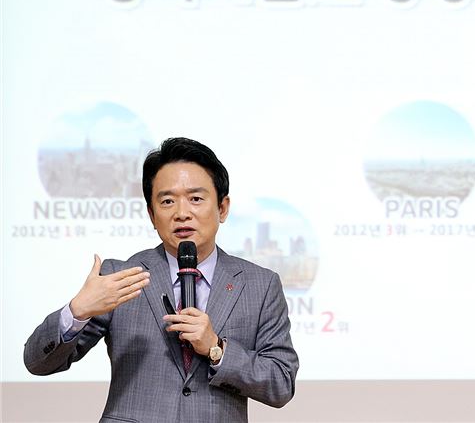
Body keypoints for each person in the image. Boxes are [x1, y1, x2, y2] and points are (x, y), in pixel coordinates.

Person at [24, 137, 299, 422]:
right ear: (152, 214)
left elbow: (281, 383)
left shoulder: (260, 285)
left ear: (222, 208)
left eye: (196, 199)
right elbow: (37, 363)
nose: (182, 213)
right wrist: (77, 311)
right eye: (167, 201)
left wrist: (216, 349)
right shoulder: (120, 278)